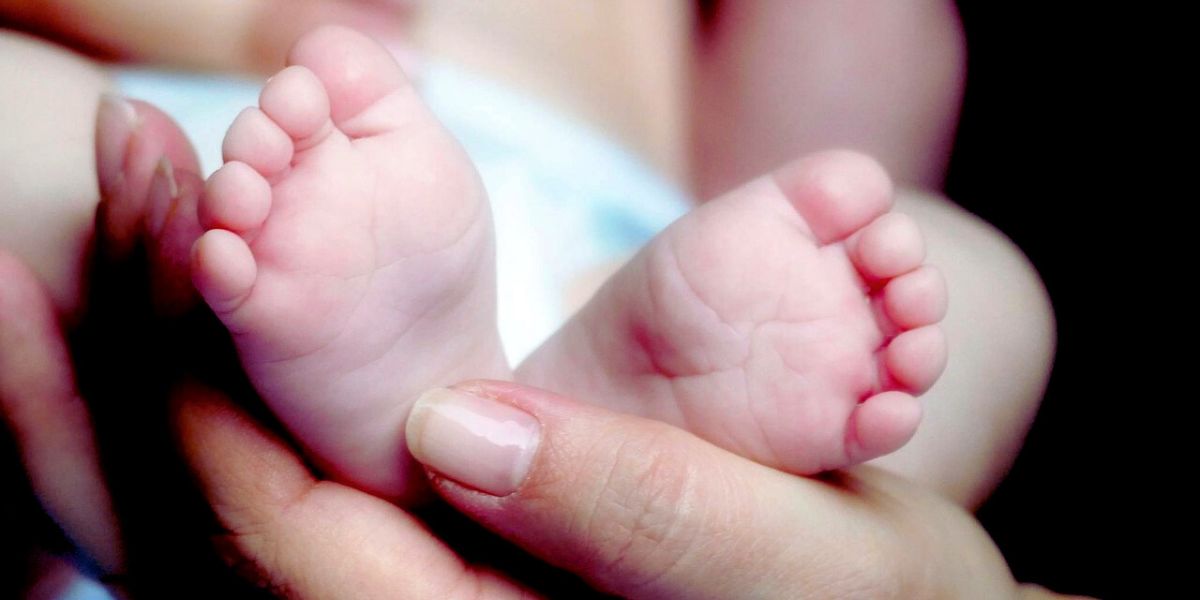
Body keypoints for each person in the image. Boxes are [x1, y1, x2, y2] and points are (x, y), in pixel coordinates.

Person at [0, 0, 1058, 596]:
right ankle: (442, 422)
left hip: (630, 255)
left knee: (973, 277)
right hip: (249, 152)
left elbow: (828, 143)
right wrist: (233, 26)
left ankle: (638, 421)